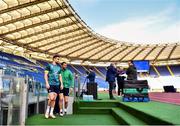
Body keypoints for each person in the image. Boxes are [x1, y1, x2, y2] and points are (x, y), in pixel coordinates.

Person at [44, 55, 63, 119]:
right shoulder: (49, 66)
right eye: (57, 59)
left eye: (59, 59)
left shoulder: (59, 68)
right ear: (54, 59)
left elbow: (60, 76)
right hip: (50, 84)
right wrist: (47, 83)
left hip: (57, 85)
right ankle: (47, 112)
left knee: (54, 99)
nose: (58, 60)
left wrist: (61, 84)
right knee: (51, 98)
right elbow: (45, 75)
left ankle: (51, 113)